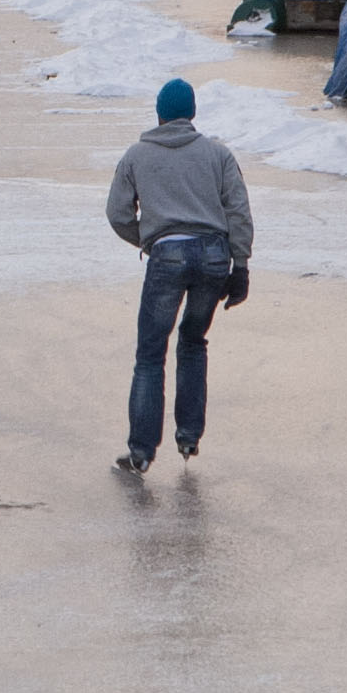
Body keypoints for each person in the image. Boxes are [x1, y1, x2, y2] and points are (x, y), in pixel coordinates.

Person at [107, 79, 252, 474]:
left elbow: (118, 213)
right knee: (193, 342)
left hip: (167, 256)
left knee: (150, 353)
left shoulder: (137, 155)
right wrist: (240, 266)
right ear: (191, 114)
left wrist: (150, 240)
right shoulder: (218, 154)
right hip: (213, 257)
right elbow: (238, 211)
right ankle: (188, 437)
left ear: (159, 114)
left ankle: (141, 452)